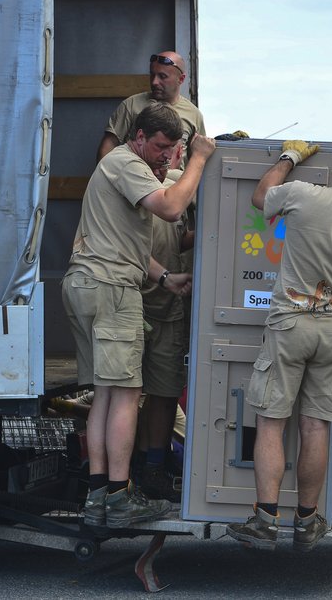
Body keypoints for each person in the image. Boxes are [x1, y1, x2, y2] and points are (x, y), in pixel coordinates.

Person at [226, 141, 332, 552]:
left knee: (271, 420)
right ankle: (307, 519)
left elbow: (261, 196)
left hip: (289, 323)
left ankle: (265, 518)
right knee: (315, 424)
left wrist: (289, 158)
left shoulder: (301, 193)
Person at [63, 102, 214, 530]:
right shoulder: (126, 162)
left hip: (91, 283)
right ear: (140, 137)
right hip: (110, 289)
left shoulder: (124, 167)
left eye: (173, 149)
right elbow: (169, 207)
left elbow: (122, 239)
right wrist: (199, 158)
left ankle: (99, 497)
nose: (166, 156)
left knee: (107, 396)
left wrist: (164, 276)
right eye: (161, 147)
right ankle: (118, 496)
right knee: (127, 395)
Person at [134, 162, 195, 504]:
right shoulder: (150, 197)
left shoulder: (177, 203)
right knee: (135, 394)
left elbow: (175, 238)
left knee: (165, 391)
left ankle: (153, 462)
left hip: (169, 304)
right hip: (142, 301)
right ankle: (143, 466)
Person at [96, 51, 206, 165]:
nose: (154, 82)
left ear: (181, 79)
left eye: (162, 76)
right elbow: (109, 144)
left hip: (175, 180)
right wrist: (105, 177)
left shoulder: (193, 114)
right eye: (152, 75)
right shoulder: (131, 105)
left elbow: (200, 154)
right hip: (135, 177)